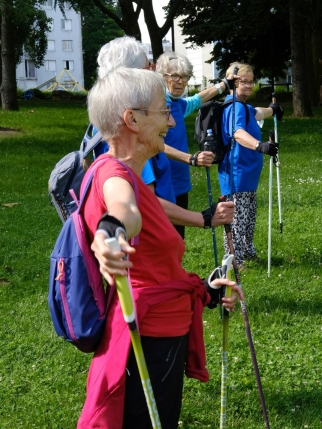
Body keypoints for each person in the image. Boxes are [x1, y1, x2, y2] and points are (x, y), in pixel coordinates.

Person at [74, 67, 242, 429]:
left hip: (157, 332)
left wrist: (209, 291)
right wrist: (109, 236)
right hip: (144, 348)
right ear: (132, 120)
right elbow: (122, 213)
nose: (172, 118)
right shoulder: (115, 178)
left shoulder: (126, 168)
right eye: (163, 111)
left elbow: (148, 215)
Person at [88, 37, 234, 232]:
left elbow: (197, 99)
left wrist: (223, 85)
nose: (171, 122)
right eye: (149, 68)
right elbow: (132, 200)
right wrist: (203, 218)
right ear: (127, 78)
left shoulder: (110, 121)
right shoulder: (128, 134)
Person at [156, 51, 234, 238]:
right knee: (164, 239)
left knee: (178, 240)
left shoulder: (179, 104)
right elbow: (154, 143)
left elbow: (198, 99)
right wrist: (190, 158)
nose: (180, 81)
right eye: (175, 76)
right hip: (161, 183)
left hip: (181, 183)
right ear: (162, 77)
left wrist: (225, 84)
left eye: (184, 77)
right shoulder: (157, 106)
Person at [218, 62, 283, 268]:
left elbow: (256, 113)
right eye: (242, 81)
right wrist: (260, 146)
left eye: (250, 81)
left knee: (248, 216)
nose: (247, 85)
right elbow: (237, 133)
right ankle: (234, 260)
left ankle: (247, 251)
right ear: (232, 83)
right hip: (237, 174)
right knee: (237, 219)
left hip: (248, 174)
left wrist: (273, 110)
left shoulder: (242, 106)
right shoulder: (234, 106)